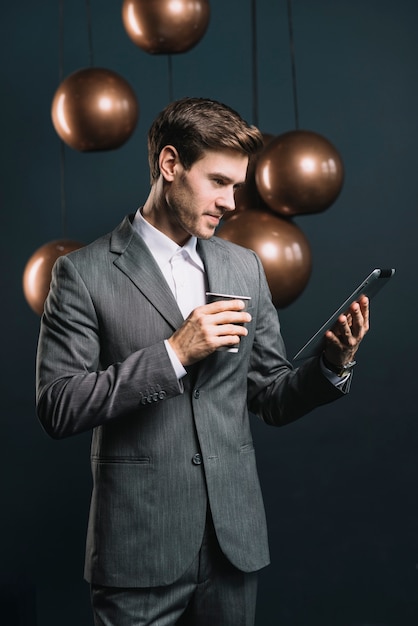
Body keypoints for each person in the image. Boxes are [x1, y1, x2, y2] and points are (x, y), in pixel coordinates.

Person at [36, 97, 369, 626]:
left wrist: (332, 365)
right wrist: (174, 354)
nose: (232, 203)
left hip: (232, 548)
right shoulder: (82, 274)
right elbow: (58, 406)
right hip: (137, 553)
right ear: (170, 165)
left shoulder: (244, 267)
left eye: (237, 186)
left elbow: (270, 396)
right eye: (218, 182)